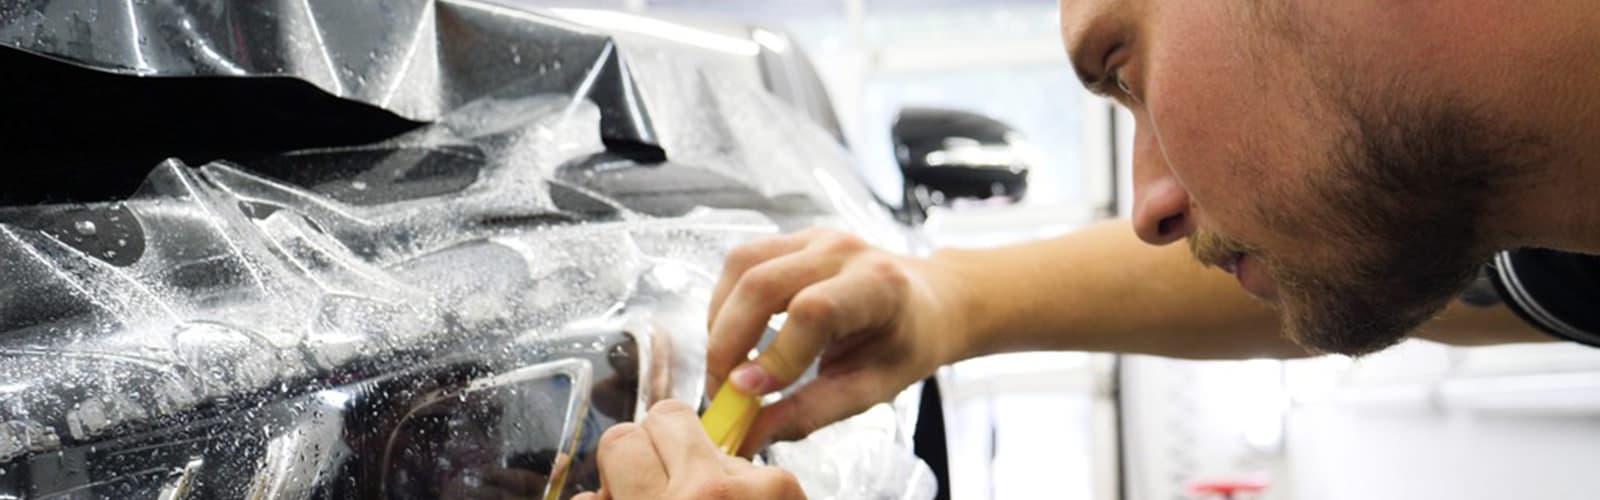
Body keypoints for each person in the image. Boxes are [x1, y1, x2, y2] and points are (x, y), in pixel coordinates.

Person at [575, 0, 1600, 497]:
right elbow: (1338, 238)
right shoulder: (1564, 239)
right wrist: (950, 302)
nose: (1151, 202)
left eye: (1124, 65)